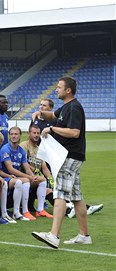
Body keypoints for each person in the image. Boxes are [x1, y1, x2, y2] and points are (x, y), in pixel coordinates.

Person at [32, 77, 91, 249]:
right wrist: (41, 114)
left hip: (69, 156)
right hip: (72, 156)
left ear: (68, 91)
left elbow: (74, 132)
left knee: (59, 194)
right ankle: (84, 235)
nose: (56, 90)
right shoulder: (66, 107)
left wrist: (51, 129)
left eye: (59, 87)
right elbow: (53, 115)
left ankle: (53, 236)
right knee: (76, 197)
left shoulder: (74, 107)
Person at [0, 127, 50, 221]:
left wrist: (32, 176)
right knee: (25, 181)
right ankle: (24, 211)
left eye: (16, 134)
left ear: (20, 136)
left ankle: (40, 210)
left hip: (18, 177)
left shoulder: (21, 150)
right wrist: (28, 177)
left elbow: (26, 168)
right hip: (6, 177)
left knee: (42, 180)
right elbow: (10, 169)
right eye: (12, 134)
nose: (14, 136)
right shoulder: (5, 149)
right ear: (9, 136)